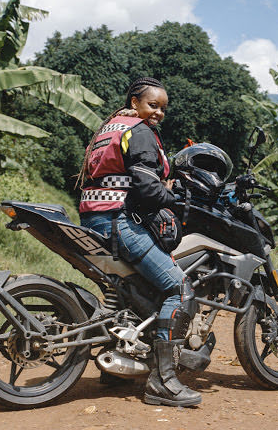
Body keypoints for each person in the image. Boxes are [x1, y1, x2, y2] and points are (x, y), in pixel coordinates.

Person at [77, 77, 201, 407]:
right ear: (135, 102)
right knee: (178, 289)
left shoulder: (109, 128)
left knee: (126, 289)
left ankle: (116, 368)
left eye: (163, 107)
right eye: (152, 105)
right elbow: (147, 188)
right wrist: (175, 195)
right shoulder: (140, 130)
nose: (158, 112)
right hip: (118, 221)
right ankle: (163, 381)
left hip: (94, 217)